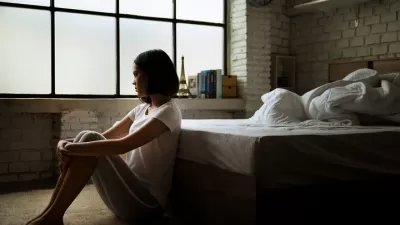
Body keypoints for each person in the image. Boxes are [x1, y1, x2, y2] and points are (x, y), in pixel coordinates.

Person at [26, 49, 182, 225]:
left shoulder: (168, 112)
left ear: (152, 75)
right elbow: (104, 137)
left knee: (89, 138)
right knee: (87, 136)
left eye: (136, 74)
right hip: (126, 194)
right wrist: (64, 143)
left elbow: (122, 145)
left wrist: (70, 149)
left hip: (147, 205)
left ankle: (52, 217)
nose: (133, 81)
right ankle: (50, 213)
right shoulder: (141, 110)